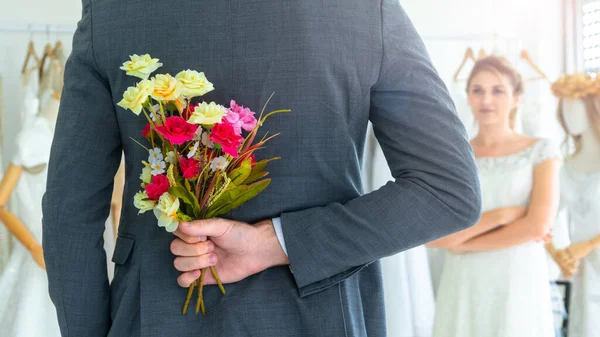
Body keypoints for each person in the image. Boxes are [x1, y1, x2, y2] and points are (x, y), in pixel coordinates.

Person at [42, 1, 481, 336]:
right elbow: (447, 191)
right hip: (320, 316)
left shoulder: (115, 10)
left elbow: (70, 214)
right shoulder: (362, 11)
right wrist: (282, 243)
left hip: (155, 315)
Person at [428, 56, 560, 337]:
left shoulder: (542, 151)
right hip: (463, 283)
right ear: (468, 97)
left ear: (516, 97)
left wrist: (462, 243)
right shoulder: (453, 156)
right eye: (477, 90)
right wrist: (500, 216)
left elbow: (537, 226)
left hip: (517, 279)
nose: (486, 99)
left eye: (497, 90)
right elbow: (432, 236)